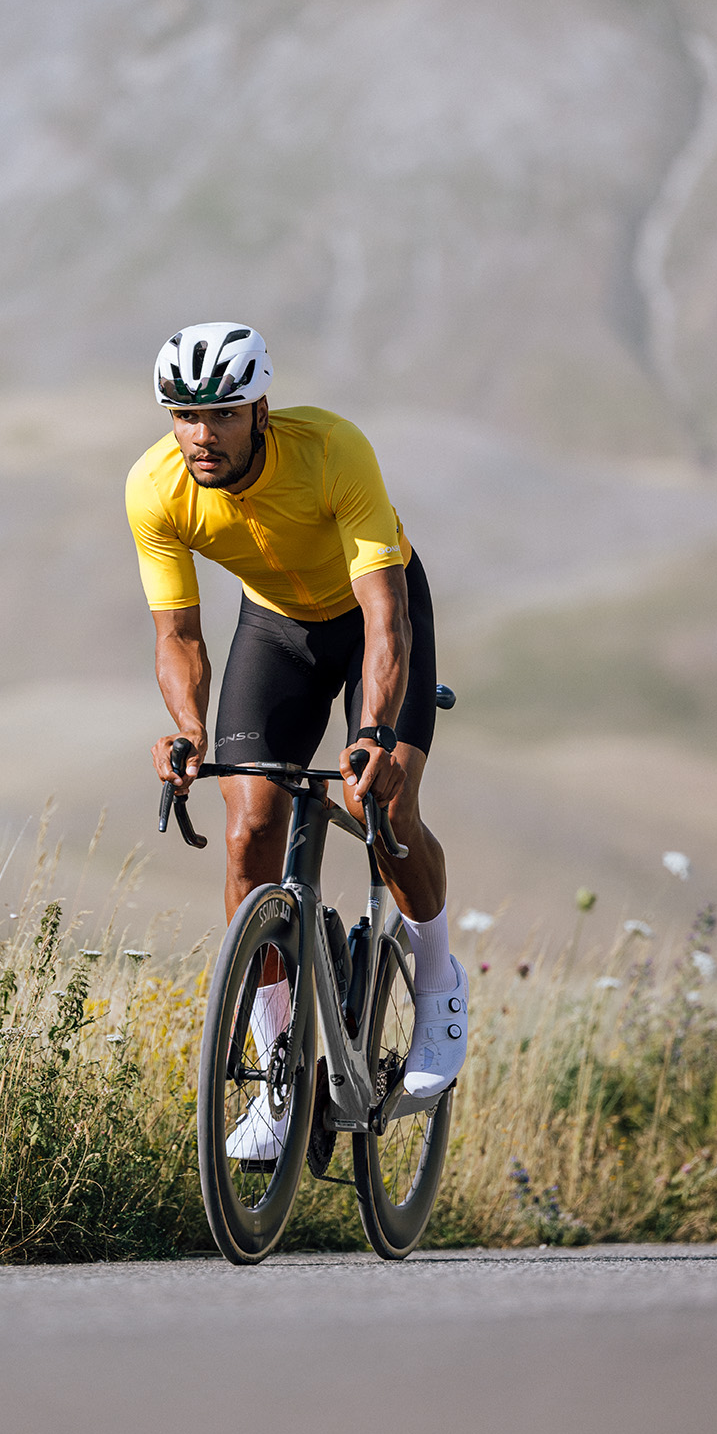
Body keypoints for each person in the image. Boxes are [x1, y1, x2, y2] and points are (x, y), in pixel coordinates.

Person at [125, 321, 467, 1164]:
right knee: (248, 831)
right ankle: (278, 1077)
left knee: (381, 802)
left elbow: (384, 617)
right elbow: (178, 636)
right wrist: (189, 729)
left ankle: (437, 985)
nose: (201, 435)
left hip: (373, 618)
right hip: (275, 630)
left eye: (221, 414)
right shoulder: (153, 488)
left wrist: (375, 731)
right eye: (183, 416)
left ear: (260, 410)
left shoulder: (330, 450)